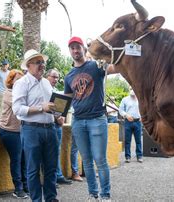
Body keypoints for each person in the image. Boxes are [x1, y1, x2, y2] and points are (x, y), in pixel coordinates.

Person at [64, 36, 116, 200]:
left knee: (100, 160)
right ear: (70, 51)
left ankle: (105, 195)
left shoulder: (95, 66)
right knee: (86, 161)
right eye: (72, 48)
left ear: (83, 49)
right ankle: (93, 194)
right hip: (78, 121)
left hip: (97, 119)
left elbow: (116, 68)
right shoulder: (69, 76)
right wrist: (59, 114)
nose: (75, 50)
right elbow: (66, 100)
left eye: (77, 47)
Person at [12, 49, 59, 202]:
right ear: (28, 65)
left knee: (51, 168)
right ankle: (37, 200)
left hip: (50, 129)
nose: (42, 65)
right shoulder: (21, 83)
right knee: (33, 170)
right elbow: (17, 109)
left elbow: (51, 106)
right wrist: (41, 108)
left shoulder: (46, 83)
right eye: (38, 62)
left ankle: (51, 199)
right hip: (31, 129)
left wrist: (58, 112)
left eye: (42, 62)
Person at [0, 69, 28, 198]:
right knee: (17, 159)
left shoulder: (21, 94)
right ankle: (18, 189)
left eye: (22, 79)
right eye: (17, 79)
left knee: (24, 160)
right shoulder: (9, 93)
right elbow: (22, 107)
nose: (20, 82)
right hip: (9, 131)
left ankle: (26, 186)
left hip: (20, 132)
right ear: (11, 81)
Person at [45, 68, 73, 185]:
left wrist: (61, 117)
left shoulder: (56, 91)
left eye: (57, 77)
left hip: (57, 125)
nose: (55, 79)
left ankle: (59, 176)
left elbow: (62, 109)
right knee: (48, 153)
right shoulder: (44, 89)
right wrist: (58, 117)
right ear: (47, 76)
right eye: (53, 77)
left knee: (56, 152)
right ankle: (52, 179)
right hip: (47, 125)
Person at [119, 90, 143, 163]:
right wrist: (126, 115)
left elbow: (144, 109)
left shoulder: (140, 99)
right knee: (127, 141)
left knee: (138, 140)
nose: (132, 90)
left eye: (133, 88)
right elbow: (120, 110)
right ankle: (127, 157)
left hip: (137, 122)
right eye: (130, 88)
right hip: (128, 122)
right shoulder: (125, 99)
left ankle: (139, 156)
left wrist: (143, 116)